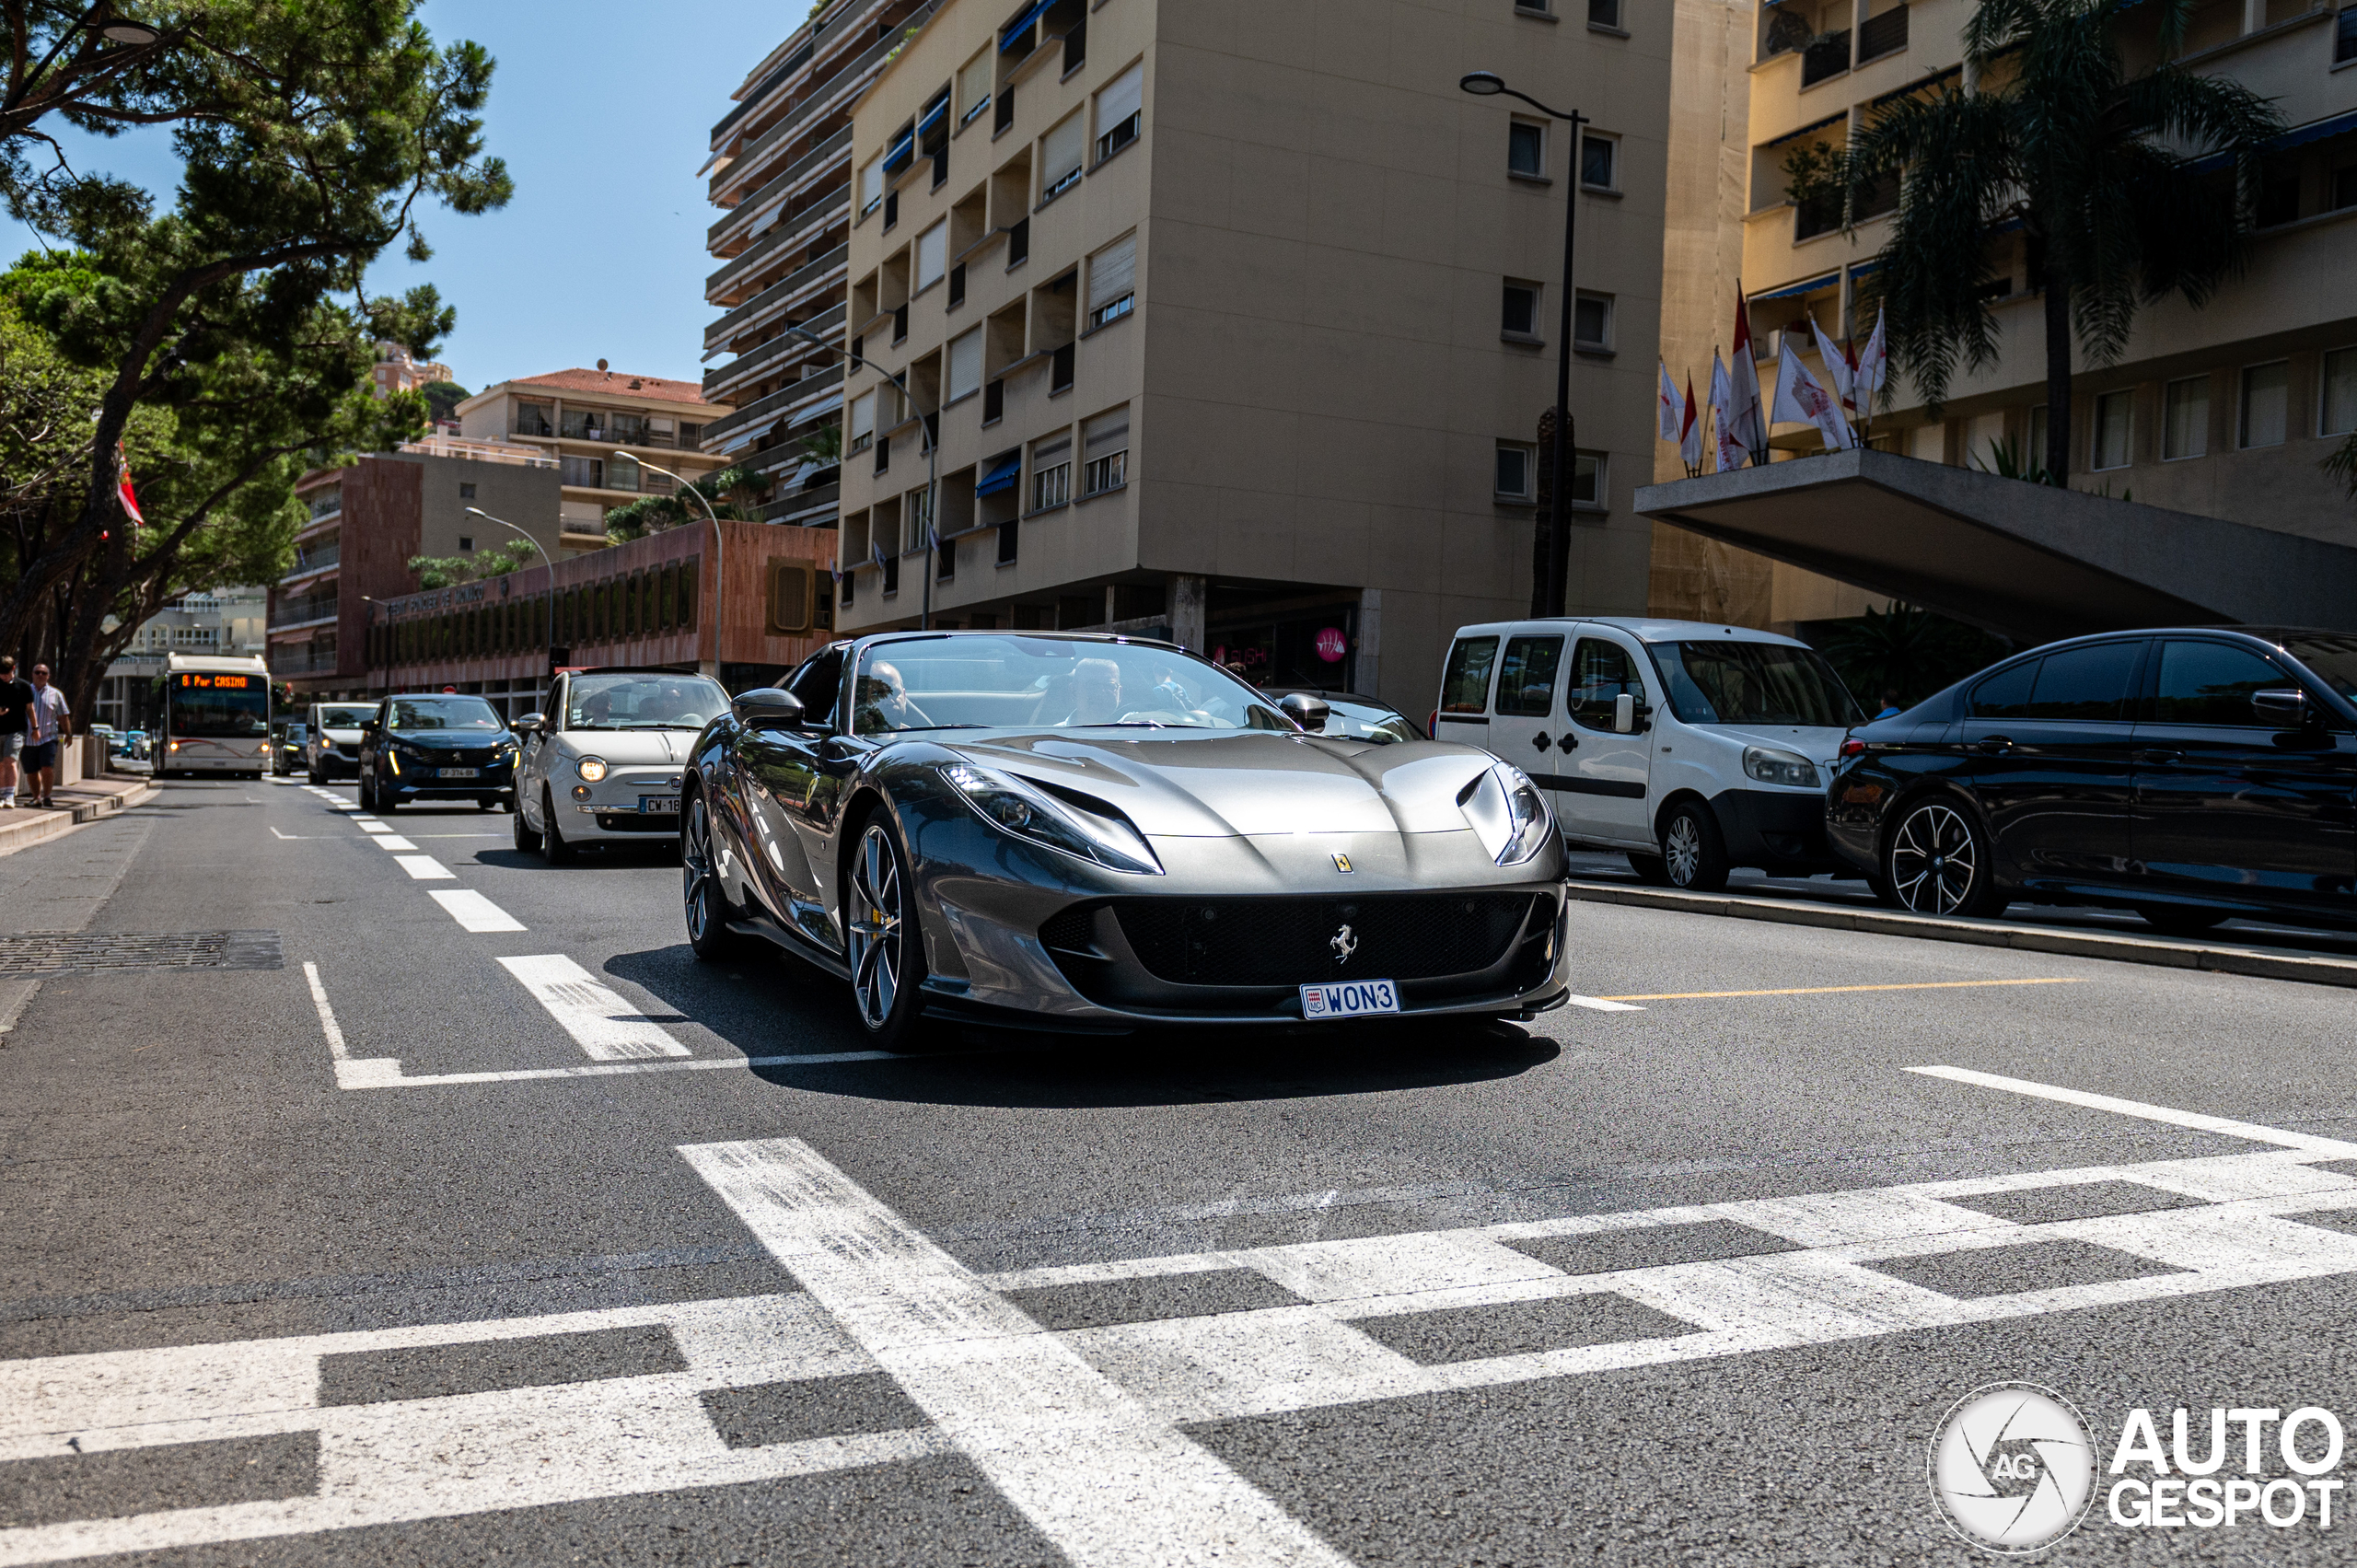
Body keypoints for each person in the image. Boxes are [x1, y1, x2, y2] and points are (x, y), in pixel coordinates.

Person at [23, 662, 71, 809]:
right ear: (32, 674)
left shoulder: (56, 694)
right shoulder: (25, 691)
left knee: (47, 767)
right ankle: (36, 798)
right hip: (27, 738)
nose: (40, 675)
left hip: (48, 737)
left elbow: (63, 716)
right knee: (31, 771)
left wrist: (69, 733)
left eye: (43, 673)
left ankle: (47, 796)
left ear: (48, 676)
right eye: (37, 672)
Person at [854, 660, 934, 731]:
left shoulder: (917, 740)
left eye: (895, 692)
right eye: (879, 694)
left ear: (904, 696)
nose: (890, 701)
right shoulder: (853, 741)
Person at [0, 655, 29, 809]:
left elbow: (30, 709)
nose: (3, 676)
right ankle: (2, 795)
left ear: (13, 669)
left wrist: (35, 729)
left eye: (6, 672)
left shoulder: (23, 686)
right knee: (0, 765)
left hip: (16, 730)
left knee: (10, 762)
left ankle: (9, 796)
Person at [1063, 657, 1123, 726]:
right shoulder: (1052, 734)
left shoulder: (1135, 732)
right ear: (1074, 692)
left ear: (1120, 694)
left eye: (1109, 685)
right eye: (1092, 685)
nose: (1100, 693)